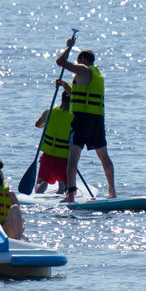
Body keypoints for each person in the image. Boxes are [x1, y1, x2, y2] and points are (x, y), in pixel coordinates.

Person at [56, 38, 115, 201]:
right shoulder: (96, 75)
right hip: (96, 120)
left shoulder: (83, 69)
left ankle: (71, 194)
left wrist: (68, 47)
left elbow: (60, 62)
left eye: (77, 61)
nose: (76, 65)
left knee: (72, 158)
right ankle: (112, 191)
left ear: (82, 60)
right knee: (104, 157)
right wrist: (64, 85)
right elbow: (79, 96)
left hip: (81, 121)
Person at [33, 80, 73, 193]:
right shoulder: (74, 117)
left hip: (48, 156)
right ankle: (62, 188)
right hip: (64, 157)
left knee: (41, 182)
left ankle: (38, 191)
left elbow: (38, 125)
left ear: (62, 99)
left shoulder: (48, 112)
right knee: (63, 184)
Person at [0, 160, 25, 239]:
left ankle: (18, 238)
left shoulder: (10, 194)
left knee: (15, 208)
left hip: (6, 229)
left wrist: (22, 225)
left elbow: (20, 216)